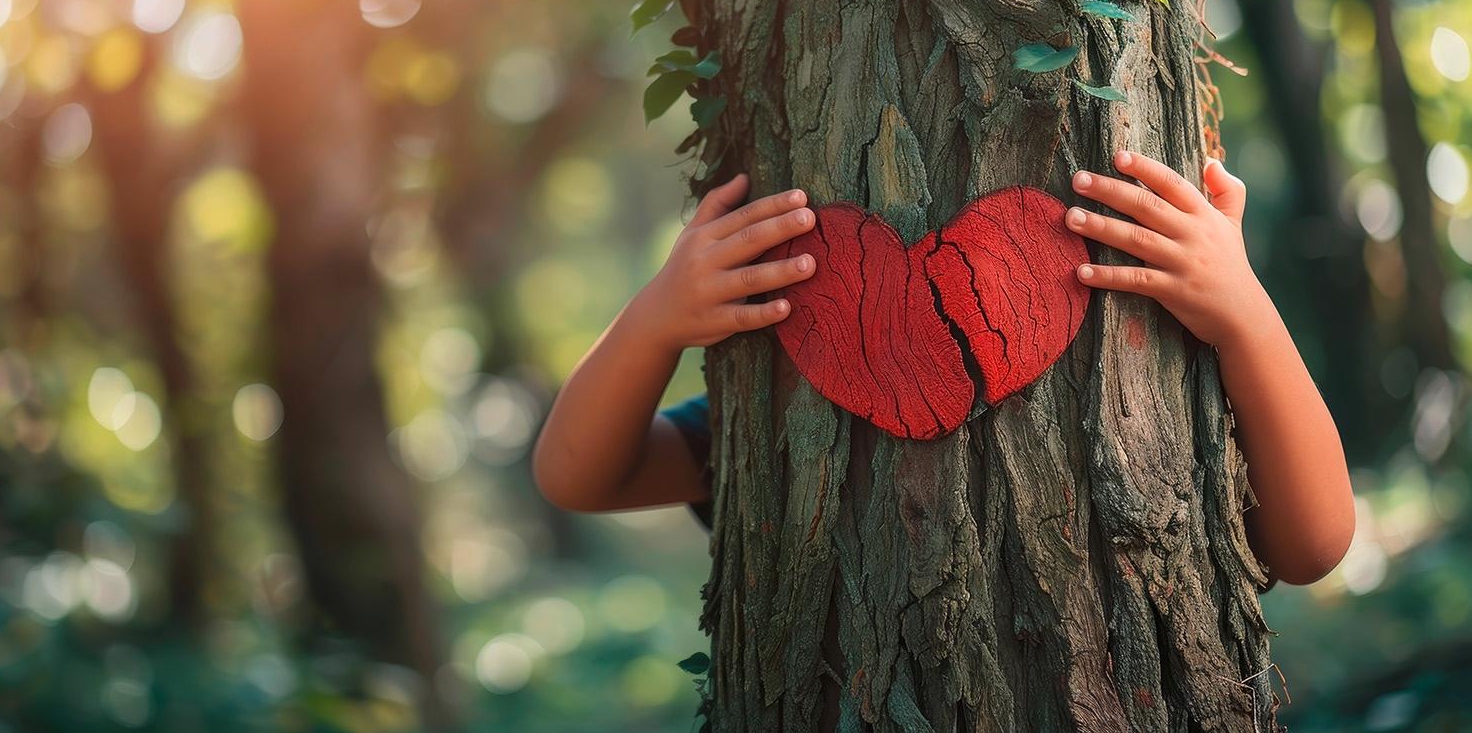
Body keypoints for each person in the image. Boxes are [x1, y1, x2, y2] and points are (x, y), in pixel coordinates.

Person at [531, 150, 1355, 587]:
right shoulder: (771, 424)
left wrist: (1245, 314)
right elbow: (578, 474)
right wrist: (654, 320)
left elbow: (1314, 543)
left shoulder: (1184, 376)